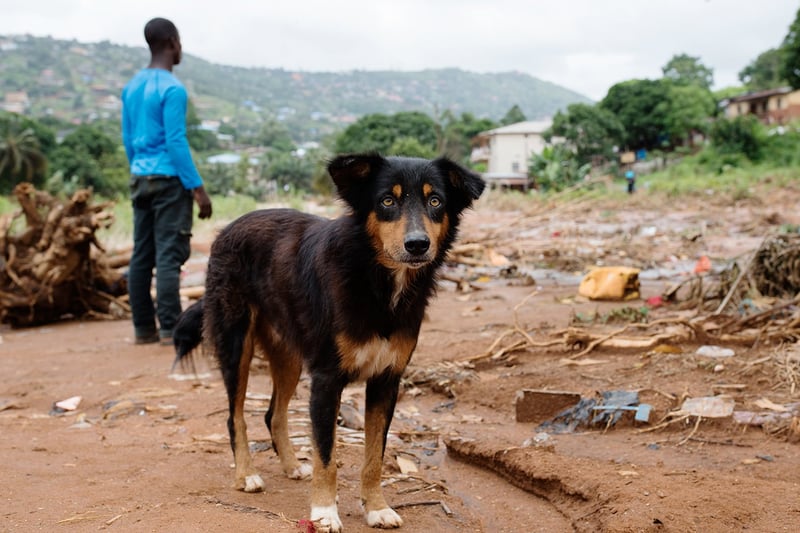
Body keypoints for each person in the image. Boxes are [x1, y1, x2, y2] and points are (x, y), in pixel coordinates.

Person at [121, 17, 212, 345]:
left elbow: (128, 139)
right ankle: (171, 329)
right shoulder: (173, 89)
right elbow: (175, 141)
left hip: (140, 176)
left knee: (141, 254)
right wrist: (197, 188)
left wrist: (140, 172)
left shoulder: (131, 87)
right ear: (173, 42)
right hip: (170, 180)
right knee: (169, 257)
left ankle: (142, 328)